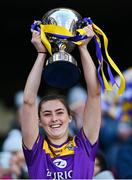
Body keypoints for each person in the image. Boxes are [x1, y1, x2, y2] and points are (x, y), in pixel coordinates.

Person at [21, 23, 101, 179]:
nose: (54, 119)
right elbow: (29, 101)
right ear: (39, 121)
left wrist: (83, 48)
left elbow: (95, 94)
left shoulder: (84, 146)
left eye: (59, 112)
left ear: (69, 117)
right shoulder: (36, 150)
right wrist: (41, 53)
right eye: (47, 114)